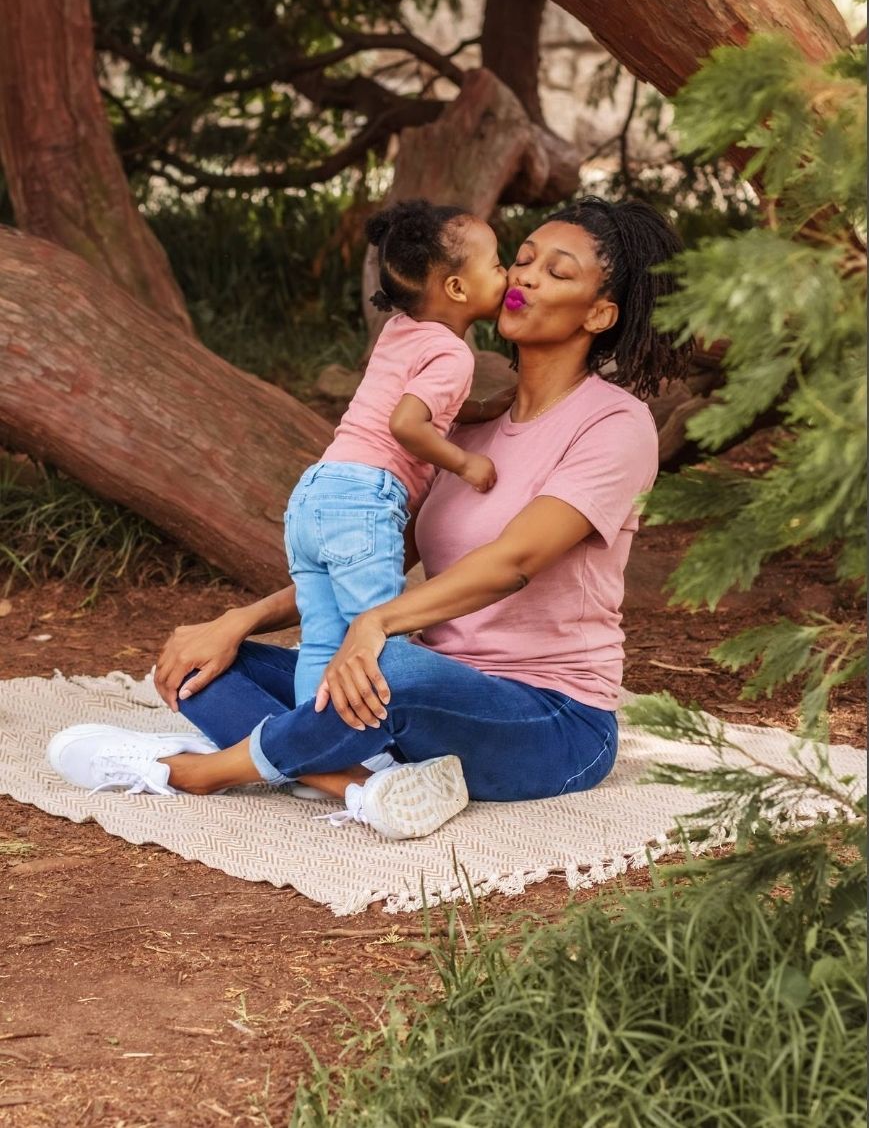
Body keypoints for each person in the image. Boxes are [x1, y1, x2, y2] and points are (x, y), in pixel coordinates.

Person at [47, 196, 691, 844]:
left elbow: (513, 562)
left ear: (600, 312)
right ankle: (357, 781)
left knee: (385, 670)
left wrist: (377, 622)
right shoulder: (462, 431)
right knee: (206, 663)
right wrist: (236, 620)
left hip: (551, 719)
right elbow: (368, 557)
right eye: (520, 259)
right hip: (428, 687)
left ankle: (195, 770)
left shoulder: (614, 424)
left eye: (556, 272)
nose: (523, 277)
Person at [283, 198, 511, 714]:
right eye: (497, 265)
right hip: (364, 500)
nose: (506, 274)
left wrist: (478, 410)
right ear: (457, 288)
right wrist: (464, 462)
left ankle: (310, 747)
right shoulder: (454, 353)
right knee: (383, 635)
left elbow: (412, 401)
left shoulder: (400, 331)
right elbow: (406, 423)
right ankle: (385, 750)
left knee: (322, 641)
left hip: (315, 495)